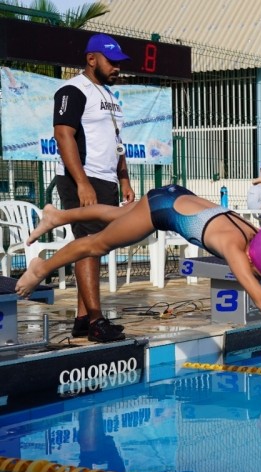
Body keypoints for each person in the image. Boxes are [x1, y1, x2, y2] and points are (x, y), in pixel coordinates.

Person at [15, 184, 261, 362]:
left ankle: (58, 215)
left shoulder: (260, 238)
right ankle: (40, 268)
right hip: (162, 209)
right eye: (258, 273)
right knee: (98, 244)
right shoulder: (234, 248)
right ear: (252, 259)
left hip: (178, 195)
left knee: (117, 215)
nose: (258, 277)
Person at [52, 34, 136, 343]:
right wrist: (83, 182)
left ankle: (83, 319)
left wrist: (124, 178)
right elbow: (63, 136)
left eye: (119, 63)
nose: (117, 67)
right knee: (88, 244)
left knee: (96, 246)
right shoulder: (73, 90)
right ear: (91, 59)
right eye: (111, 61)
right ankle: (97, 321)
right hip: (82, 179)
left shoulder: (111, 96)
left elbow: (117, 142)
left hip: (107, 180)